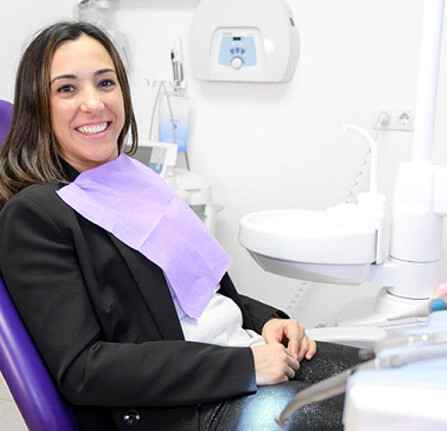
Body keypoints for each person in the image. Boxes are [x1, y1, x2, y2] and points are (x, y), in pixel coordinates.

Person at [0, 22, 359, 431]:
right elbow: (85, 369)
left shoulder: (134, 180)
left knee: (397, 383)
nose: (94, 103)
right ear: (37, 105)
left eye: (105, 82)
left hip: (244, 355)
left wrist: (266, 322)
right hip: (186, 408)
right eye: (67, 89)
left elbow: (202, 296)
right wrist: (244, 366)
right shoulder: (36, 215)